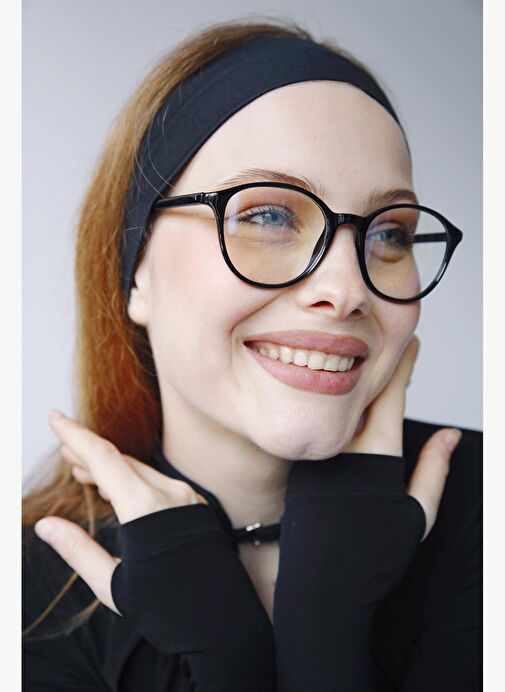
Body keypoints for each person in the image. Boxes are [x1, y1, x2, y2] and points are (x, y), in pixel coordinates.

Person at [22, 17, 482, 692]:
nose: (346, 290)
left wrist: (323, 620)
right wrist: (231, 653)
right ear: (135, 269)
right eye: (267, 215)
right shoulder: (30, 600)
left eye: (389, 232)